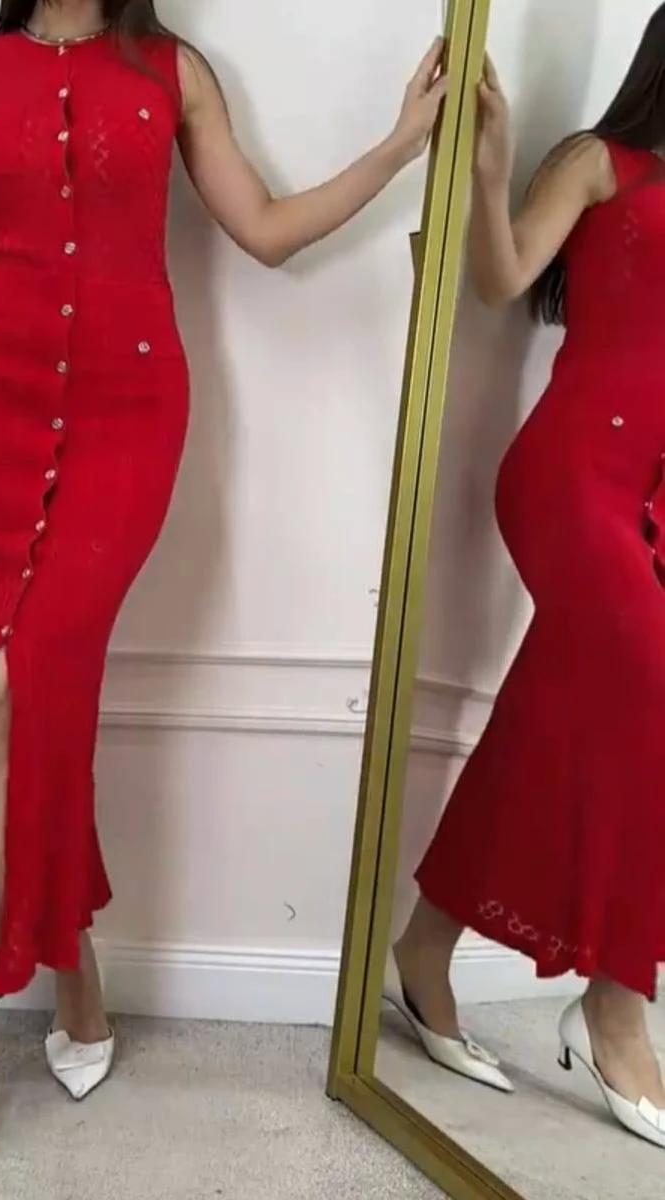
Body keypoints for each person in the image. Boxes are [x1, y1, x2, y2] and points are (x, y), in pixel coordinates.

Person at [0, 1, 446, 1190]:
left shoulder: (172, 72)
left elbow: (267, 230)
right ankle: (69, 966)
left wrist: (400, 145)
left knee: (13, 688)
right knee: (3, 697)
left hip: (127, 418)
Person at [392, 6, 665, 1152]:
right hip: (563, 476)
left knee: (542, 723)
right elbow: (501, 277)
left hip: (645, 499)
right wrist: (492, 160)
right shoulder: (600, 161)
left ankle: (422, 946)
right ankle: (615, 1005)